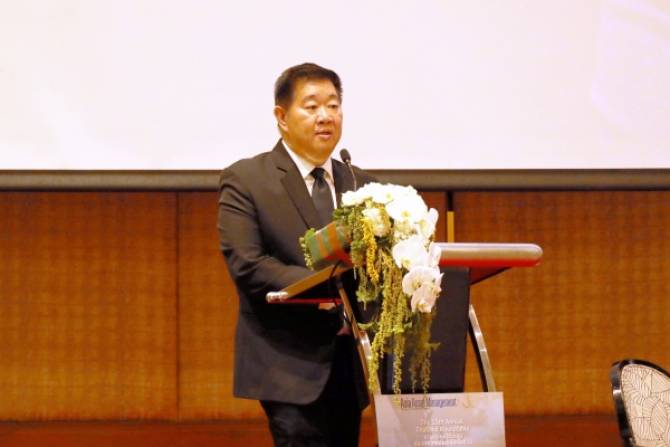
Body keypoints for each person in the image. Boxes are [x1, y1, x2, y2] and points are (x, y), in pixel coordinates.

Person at [217, 63, 375, 447]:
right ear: (282, 117)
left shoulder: (359, 182)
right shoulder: (248, 179)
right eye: (312, 106)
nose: (326, 116)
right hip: (286, 362)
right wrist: (326, 285)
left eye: (334, 105)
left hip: (348, 362)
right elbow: (248, 265)